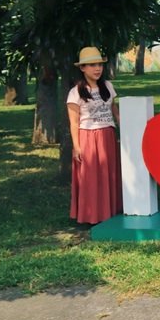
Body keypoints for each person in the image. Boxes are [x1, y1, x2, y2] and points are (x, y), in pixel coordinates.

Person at [66, 46, 123, 224]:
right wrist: (77, 146)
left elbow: (114, 110)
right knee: (91, 177)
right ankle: (91, 215)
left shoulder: (108, 86)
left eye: (99, 64)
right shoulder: (75, 93)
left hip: (107, 135)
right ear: (82, 68)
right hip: (88, 136)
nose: (97, 69)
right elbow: (74, 122)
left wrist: (124, 128)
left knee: (109, 173)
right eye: (91, 65)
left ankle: (109, 210)